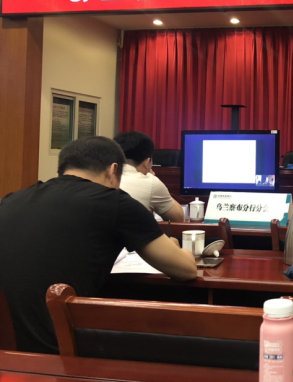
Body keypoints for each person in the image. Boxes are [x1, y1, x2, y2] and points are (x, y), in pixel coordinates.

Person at [0, 137, 197, 354]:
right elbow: (185, 270)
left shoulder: (10, 200)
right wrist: (178, 247)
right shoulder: (116, 202)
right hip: (58, 353)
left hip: (8, 352)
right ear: (113, 170)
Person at [114, 131, 185, 222]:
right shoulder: (151, 182)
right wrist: (153, 180)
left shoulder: (102, 178)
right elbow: (178, 219)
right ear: (147, 162)